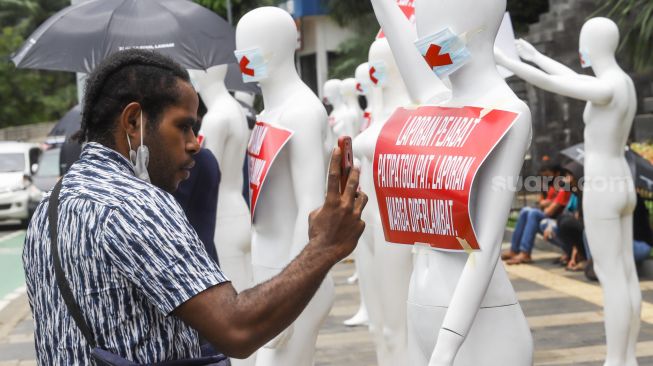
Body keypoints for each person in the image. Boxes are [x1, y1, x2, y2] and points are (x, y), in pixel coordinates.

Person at [22, 49, 368, 364]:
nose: (193, 144)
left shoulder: (49, 207)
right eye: (183, 126)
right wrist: (325, 246)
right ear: (133, 122)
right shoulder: (137, 204)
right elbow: (237, 329)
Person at [502, 163, 572, 264]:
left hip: (557, 222)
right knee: (525, 210)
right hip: (551, 219)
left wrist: (549, 203)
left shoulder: (564, 188)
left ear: (557, 174)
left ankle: (525, 252)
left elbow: (548, 211)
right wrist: (550, 202)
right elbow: (541, 203)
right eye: (543, 176)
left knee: (533, 214)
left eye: (548, 176)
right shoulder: (551, 187)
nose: (545, 178)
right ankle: (514, 250)